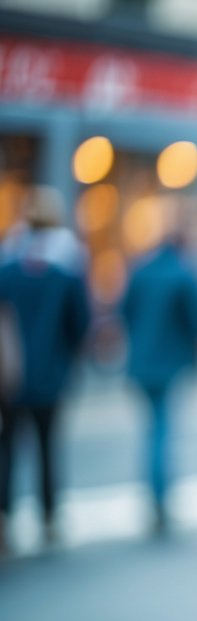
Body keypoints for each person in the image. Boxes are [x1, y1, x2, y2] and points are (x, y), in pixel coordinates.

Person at [0, 186, 91, 549]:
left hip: (9, 377)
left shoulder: (7, 268)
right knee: (47, 446)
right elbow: (80, 325)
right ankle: (49, 516)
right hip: (52, 375)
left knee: (7, 449)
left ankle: (4, 518)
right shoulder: (66, 271)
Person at [120, 229, 197, 533]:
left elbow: (124, 312)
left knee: (152, 428)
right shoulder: (183, 275)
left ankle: (155, 494)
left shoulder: (140, 270)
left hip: (141, 363)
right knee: (162, 429)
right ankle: (160, 496)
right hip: (170, 365)